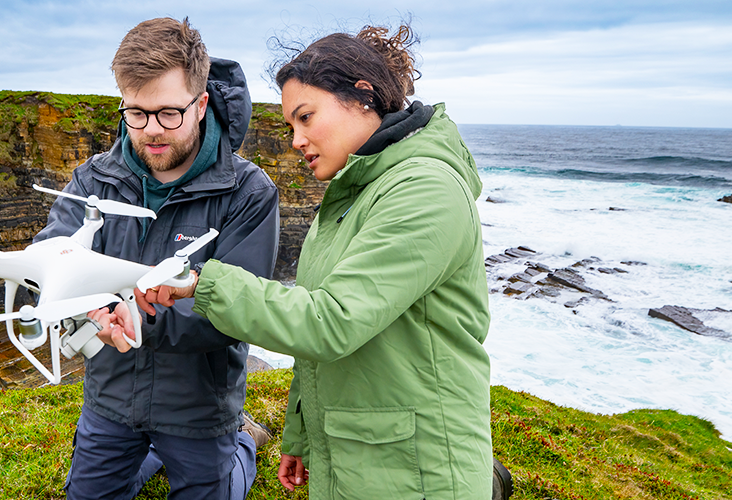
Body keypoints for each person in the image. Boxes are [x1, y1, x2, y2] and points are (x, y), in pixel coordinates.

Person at [136, 24, 497, 499]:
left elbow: (330, 321)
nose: (295, 140)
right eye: (290, 126)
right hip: (365, 453)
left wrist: (202, 282)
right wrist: (304, 436)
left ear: (362, 96)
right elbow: (325, 332)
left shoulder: (424, 191)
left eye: (306, 117)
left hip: (419, 466)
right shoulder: (356, 193)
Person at [32, 17, 280, 500]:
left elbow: (238, 307)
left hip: (198, 408)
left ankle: (244, 444)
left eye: (169, 113)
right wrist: (88, 309)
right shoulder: (93, 180)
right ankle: (151, 453)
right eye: (137, 113)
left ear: (201, 102)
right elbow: (54, 255)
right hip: (110, 399)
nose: (150, 131)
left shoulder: (249, 192)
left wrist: (138, 321)